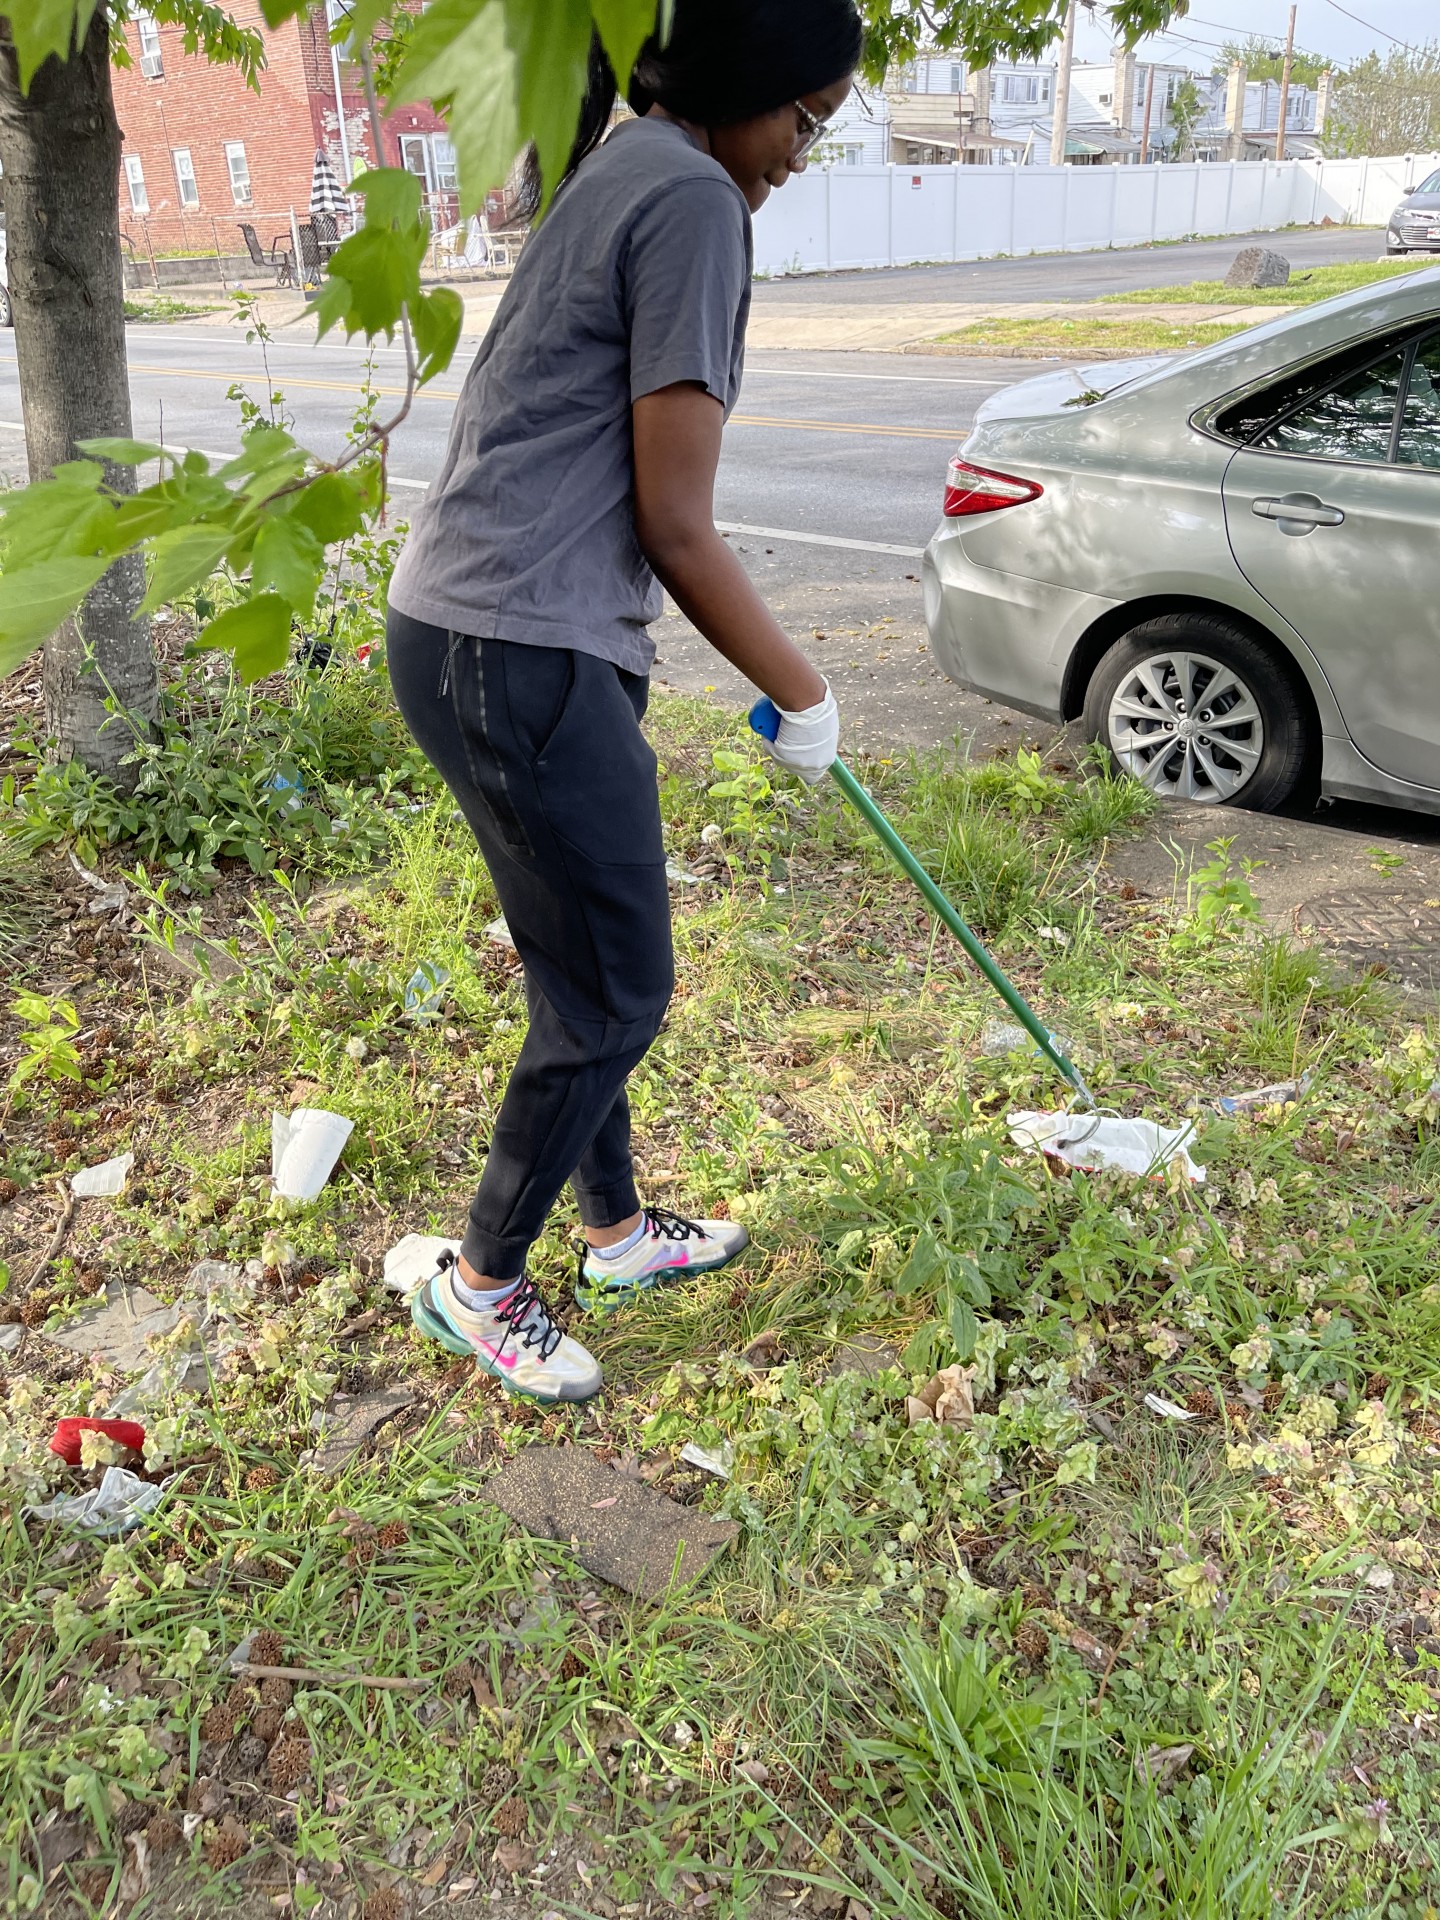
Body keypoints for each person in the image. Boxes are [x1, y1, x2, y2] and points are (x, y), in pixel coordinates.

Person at [385, 0, 862, 1404]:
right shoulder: (700, 199)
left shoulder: (625, 161)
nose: (794, 153)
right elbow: (678, 520)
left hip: (480, 628)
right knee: (621, 985)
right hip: (516, 644)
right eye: (803, 118)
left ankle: (615, 1231)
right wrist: (805, 690)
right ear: (749, 84)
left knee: (577, 968)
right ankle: (482, 1282)